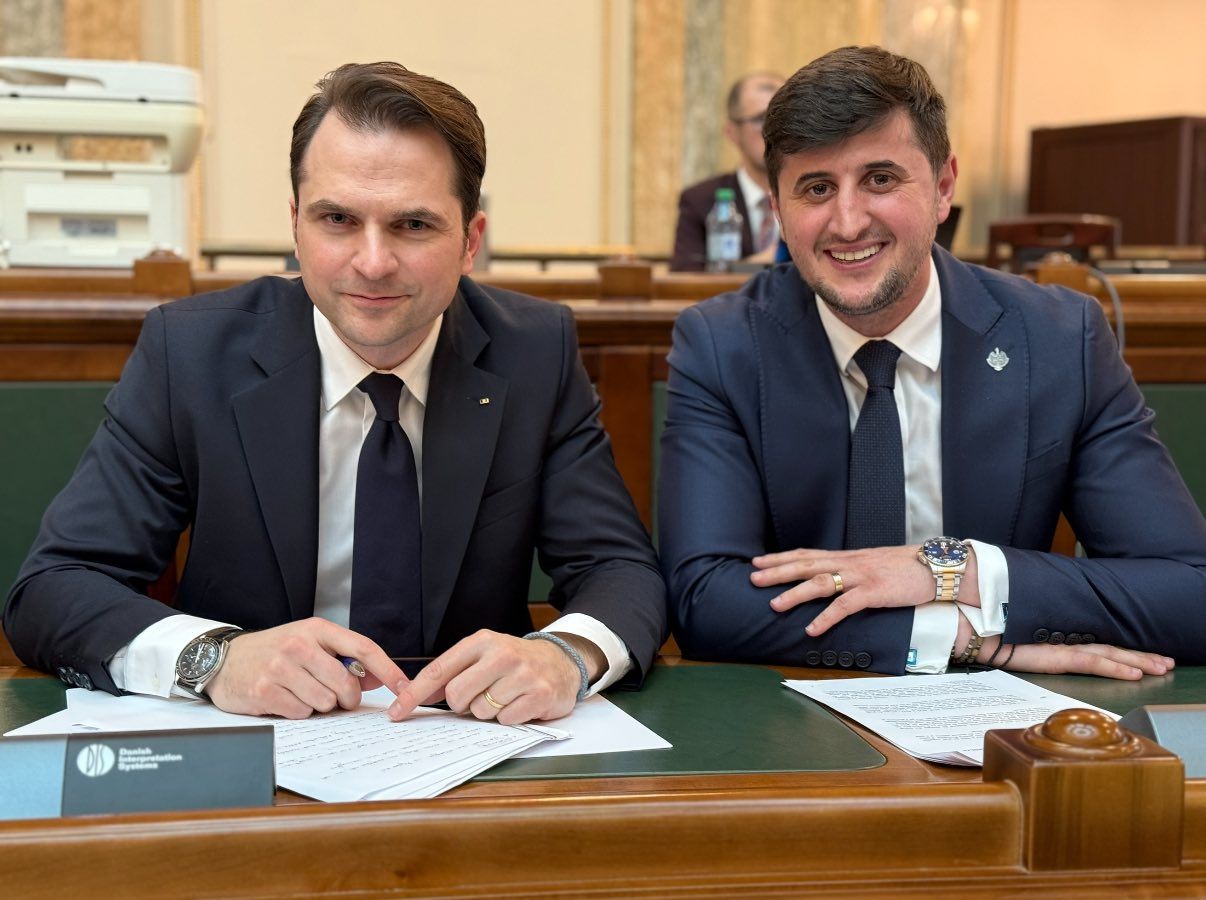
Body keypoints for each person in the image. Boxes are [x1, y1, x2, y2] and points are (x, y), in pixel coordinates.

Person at [4, 61, 666, 724]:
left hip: (473, 739)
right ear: (296, 225)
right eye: (339, 219)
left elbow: (620, 570)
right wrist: (215, 660)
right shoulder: (192, 355)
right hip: (253, 740)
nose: (373, 263)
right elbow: (54, 588)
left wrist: (566, 656)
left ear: (470, 242)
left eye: (414, 225)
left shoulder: (534, 353)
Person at [659, 45, 1206, 679]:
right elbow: (704, 602)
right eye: (816, 189)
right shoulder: (723, 344)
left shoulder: (1059, 338)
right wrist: (966, 637)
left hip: (1004, 722)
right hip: (791, 709)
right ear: (779, 211)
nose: (847, 222)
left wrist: (953, 568)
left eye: (880, 180)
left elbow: (1189, 592)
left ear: (944, 187)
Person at [669, 72, 784, 271]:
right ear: (732, 133)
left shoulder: (813, 194)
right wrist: (768, 260)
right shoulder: (700, 201)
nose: (774, 130)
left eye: (783, 118)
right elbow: (686, 280)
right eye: (761, 119)